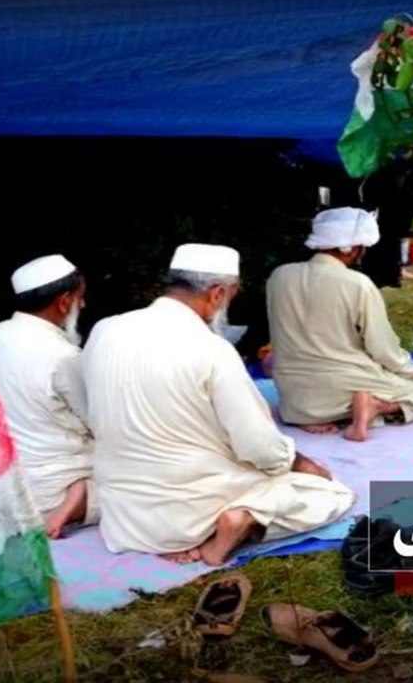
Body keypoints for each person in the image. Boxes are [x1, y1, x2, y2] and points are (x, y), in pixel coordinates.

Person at [81, 243, 355, 566]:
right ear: (215, 295)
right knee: (332, 493)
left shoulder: (104, 331)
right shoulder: (211, 349)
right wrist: (300, 464)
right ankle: (242, 519)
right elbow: (260, 446)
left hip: (127, 521)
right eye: (231, 296)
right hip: (190, 515)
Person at [266, 207, 413, 442]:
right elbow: (383, 348)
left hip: (295, 400)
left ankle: (323, 415)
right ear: (352, 249)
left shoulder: (279, 276)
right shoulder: (357, 283)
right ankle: (375, 407)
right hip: (341, 385)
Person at [0, 254, 96, 539]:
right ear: (64, 301)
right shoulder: (62, 355)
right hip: (49, 493)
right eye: (80, 298)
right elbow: (96, 422)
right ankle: (78, 497)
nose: (82, 306)